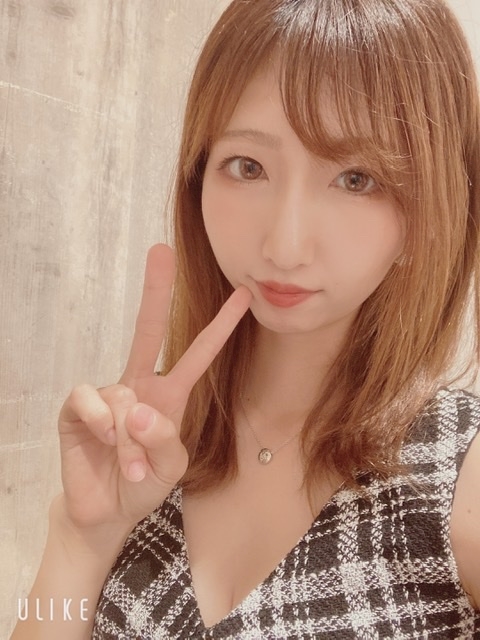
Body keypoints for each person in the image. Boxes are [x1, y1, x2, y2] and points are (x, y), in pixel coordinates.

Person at [11, 0, 480, 637]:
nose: (284, 247)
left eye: (357, 179)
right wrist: (79, 538)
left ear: (430, 205)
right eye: (248, 167)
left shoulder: (457, 475)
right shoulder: (154, 439)